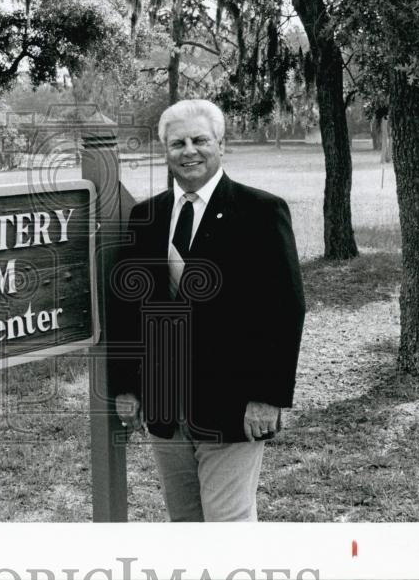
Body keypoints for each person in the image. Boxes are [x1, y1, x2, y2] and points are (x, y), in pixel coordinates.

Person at [108, 99, 305, 522]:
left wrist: (268, 397)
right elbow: (126, 307)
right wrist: (125, 385)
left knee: (228, 528)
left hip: (233, 405)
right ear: (165, 150)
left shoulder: (261, 211)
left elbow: (285, 308)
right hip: (166, 406)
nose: (189, 151)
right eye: (177, 142)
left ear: (221, 143)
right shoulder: (147, 215)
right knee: (185, 526)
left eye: (200, 139)